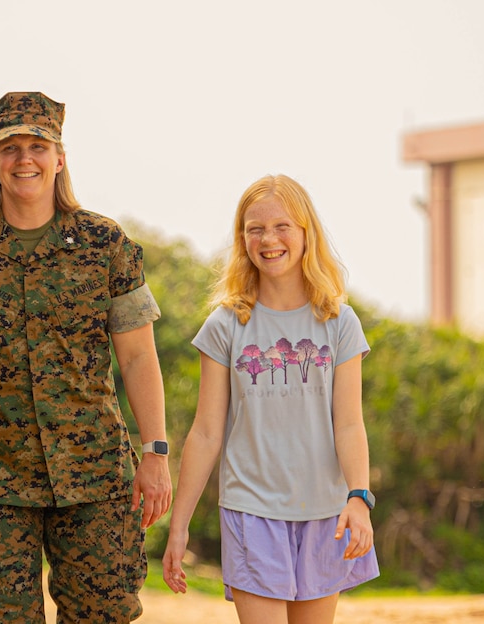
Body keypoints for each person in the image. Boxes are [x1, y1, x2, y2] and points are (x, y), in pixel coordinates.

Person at [0, 91, 173, 623]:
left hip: (95, 478)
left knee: (105, 614)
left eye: (37, 145)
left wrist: (155, 452)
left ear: (59, 157)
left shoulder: (105, 245)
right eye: (10, 147)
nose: (24, 159)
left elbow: (137, 357)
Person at [162, 174, 379, 623]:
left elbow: (350, 423)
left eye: (282, 226)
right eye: (254, 228)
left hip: (326, 513)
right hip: (251, 511)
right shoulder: (226, 324)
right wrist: (178, 526)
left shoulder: (339, 322)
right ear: (242, 239)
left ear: (305, 233)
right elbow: (205, 432)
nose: (268, 238)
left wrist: (359, 496)